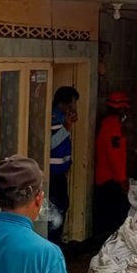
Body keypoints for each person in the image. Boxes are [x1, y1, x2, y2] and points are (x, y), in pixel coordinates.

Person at [93, 91, 131, 241]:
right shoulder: (112, 126)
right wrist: (122, 179)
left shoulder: (107, 124)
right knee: (115, 219)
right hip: (110, 180)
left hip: (106, 178)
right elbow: (115, 155)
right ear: (122, 109)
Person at [49, 86, 80, 246]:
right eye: (72, 104)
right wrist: (66, 127)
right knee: (55, 210)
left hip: (60, 173)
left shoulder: (61, 118)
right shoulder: (53, 118)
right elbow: (50, 144)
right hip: (52, 174)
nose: (73, 109)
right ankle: (53, 243)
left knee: (61, 206)